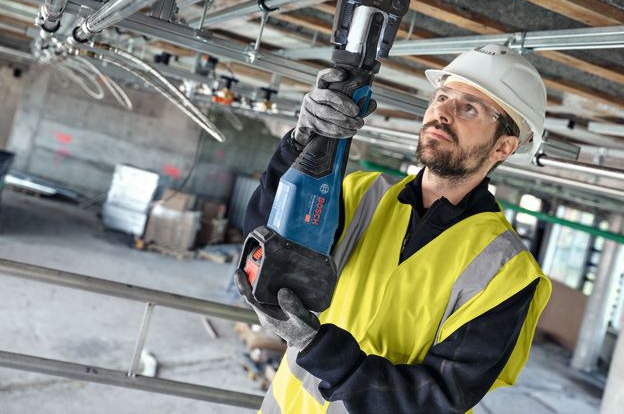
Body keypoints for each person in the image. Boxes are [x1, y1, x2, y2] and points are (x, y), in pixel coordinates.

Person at [237, 44, 552, 414]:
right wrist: (303, 143)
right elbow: (268, 246)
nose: (442, 113)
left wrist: (316, 347)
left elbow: (437, 399)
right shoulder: (360, 193)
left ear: (503, 146)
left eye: (468, 108)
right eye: (442, 96)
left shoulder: (507, 273)